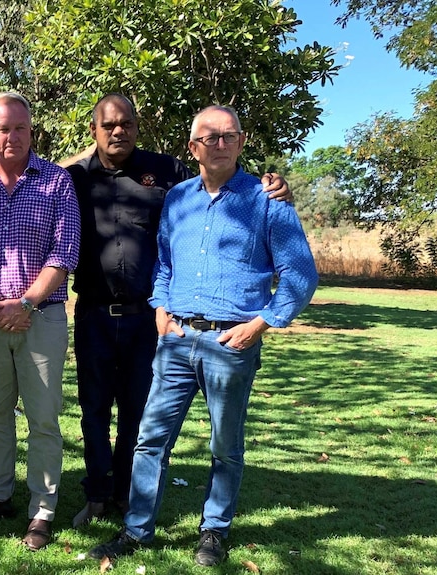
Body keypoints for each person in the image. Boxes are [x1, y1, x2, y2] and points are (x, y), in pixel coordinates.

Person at [89, 105, 318, 566]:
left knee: (224, 446)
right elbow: (164, 263)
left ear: (241, 140)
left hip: (230, 344)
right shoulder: (178, 199)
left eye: (228, 135)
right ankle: (137, 531)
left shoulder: (266, 201)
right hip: (175, 340)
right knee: (151, 439)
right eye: (209, 137)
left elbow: (300, 273)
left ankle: (214, 531)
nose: (219, 143)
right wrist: (160, 307)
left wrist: (262, 323)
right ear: (193, 147)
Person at [0, 91, 80, 551]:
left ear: (32, 130)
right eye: (3, 128)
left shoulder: (57, 182)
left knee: (43, 419)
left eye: (20, 127)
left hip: (40, 320)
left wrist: (24, 304)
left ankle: (42, 510)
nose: (12, 136)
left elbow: (64, 254)